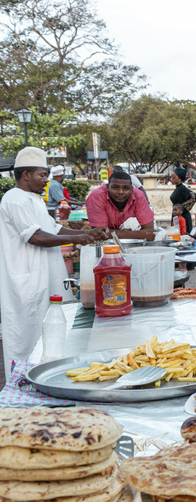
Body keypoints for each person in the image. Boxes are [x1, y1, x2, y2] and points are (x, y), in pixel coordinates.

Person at [0, 147, 108, 373]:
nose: (46, 180)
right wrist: (80, 237)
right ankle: (21, 386)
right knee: (26, 336)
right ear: (26, 174)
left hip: (46, 276)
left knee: (51, 334)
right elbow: (35, 236)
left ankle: (47, 377)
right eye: (42, 174)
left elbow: (53, 229)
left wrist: (88, 233)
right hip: (26, 280)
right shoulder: (14, 199)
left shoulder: (35, 199)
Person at [85, 171, 155, 241]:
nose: (121, 192)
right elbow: (100, 234)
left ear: (131, 188)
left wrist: (111, 233)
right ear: (107, 187)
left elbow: (150, 231)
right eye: (115, 188)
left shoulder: (139, 196)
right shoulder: (96, 196)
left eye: (126, 188)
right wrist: (140, 234)